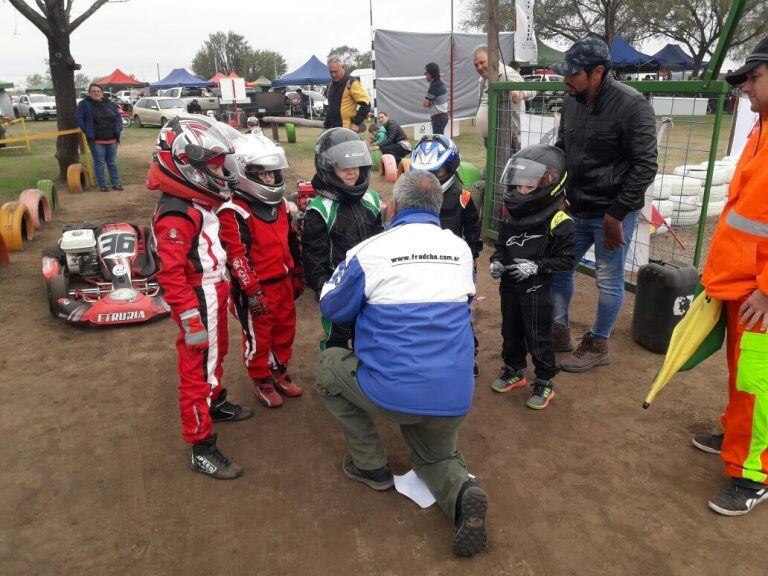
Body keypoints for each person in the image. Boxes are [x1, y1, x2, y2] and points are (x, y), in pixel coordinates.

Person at [316, 169, 488, 557]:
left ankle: (370, 466)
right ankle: (463, 496)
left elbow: (332, 306)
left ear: (392, 207)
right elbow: (465, 297)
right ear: (438, 206)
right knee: (436, 456)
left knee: (328, 364)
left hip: (393, 392)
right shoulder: (460, 249)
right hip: (454, 394)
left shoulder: (370, 250)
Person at [149, 115, 253, 479]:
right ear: (184, 165)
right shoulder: (176, 213)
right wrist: (190, 317)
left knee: (216, 352)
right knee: (196, 368)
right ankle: (200, 445)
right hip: (196, 294)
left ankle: (215, 401)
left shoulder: (196, 201)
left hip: (212, 287)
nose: (219, 172)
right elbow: (170, 273)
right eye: (211, 166)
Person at [549, 36, 658, 372]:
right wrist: (558, 193)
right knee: (559, 267)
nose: (566, 79)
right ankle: (558, 331)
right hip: (577, 205)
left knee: (609, 279)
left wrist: (616, 214)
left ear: (598, 72)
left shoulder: (632, 105)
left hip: (612, 212)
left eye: (573, 73)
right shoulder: (571, 101)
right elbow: (562, 149)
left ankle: (598, 343)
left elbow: (645, 166)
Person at [696, 37, 768, 516]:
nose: (744, 88)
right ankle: (737, 437)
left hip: (758, 294)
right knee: (742, 378)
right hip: (739, 284)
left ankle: (753, 472)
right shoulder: (761, 130)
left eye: (753, 78)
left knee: (757, 385)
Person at [218, 132, 305, 409]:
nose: (270, 179)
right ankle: (261, 379)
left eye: (273, 174)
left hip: (283, 281)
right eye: (262, 175)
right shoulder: (234, 211)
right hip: (256, 288)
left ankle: (278, 371)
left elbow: (292, 241)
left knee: (286, 330)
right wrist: (252, 292)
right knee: (259, 337)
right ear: (242, 172)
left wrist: (298, 273)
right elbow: (237, 257)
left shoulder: (279, 205)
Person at [489, 145, 575, 409]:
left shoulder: (560, 221)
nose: (521, 192)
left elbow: (568, 260)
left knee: (538, 334)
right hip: (510, 286)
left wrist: (536, 267)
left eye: (528, 187)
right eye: (518, 186)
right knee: (511, 329)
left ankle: (545, 380)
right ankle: (514, 370)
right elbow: (502, 246)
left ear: (546, 187)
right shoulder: (511, 217)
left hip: (536, 290)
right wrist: (496, 262)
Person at [301, 128, 383, 349]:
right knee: (336, 337)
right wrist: (322, 289)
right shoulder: (319, 209)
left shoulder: (372, 199)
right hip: (339, 286)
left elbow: (382, 242)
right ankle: (332, 376)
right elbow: (313, 257)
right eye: (343, 166)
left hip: (371, 281)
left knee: (369, 333)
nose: (352, 172)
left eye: (356, 165)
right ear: (327, 167)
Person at [410, 134, 483, 375]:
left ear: (450, 167)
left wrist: (471, 256)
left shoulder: (462, 197)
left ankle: (466, 355)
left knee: (457, 312)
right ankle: (426, 354)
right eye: (425, 172)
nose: (430, 178)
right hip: (420, 264)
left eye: (437, 172)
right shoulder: (411, 197)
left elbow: (472, 228)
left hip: (453, 266)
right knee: (422, 311)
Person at [472, 44, 534, 147]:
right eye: (476, 65)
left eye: (482, 62)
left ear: (492, 59)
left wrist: (522, 93)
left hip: (510, 137)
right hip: (491, 138)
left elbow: (532, 90)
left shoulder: (507, 73)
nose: (479, 67)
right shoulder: (482, 80)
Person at [75, 83, 123, 192]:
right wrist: (87, 131)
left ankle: (116, 183)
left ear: (102, 93)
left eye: (98, 91)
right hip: (96, 140)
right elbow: (79, 118)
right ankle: (102, 185)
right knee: (99, 162)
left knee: (112, 162)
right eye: (93, 91)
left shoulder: (110, 103)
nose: (96, 93)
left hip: (112, 138)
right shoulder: (84, 104)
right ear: (89, 93)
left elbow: (118, 117)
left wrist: (118, 128)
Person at [324, 57, 371, 132]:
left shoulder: (352, 83)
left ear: (343, 67)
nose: (333, 74)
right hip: (333, 130)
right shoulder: (330, 85)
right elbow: (330, 107)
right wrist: (326, 126)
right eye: (331, 72)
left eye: (336, 71)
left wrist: (356, 123)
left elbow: (366, 104)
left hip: (347, 130)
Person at [422, 62, 449, 135]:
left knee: (438, 140)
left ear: (431, 74)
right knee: (439, 138)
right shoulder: (439, 83)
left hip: (438, 118)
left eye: (426, 73)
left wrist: (429, 102)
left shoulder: (434, 86)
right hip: (442, 116)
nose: (425, 76)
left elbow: (425, 104)